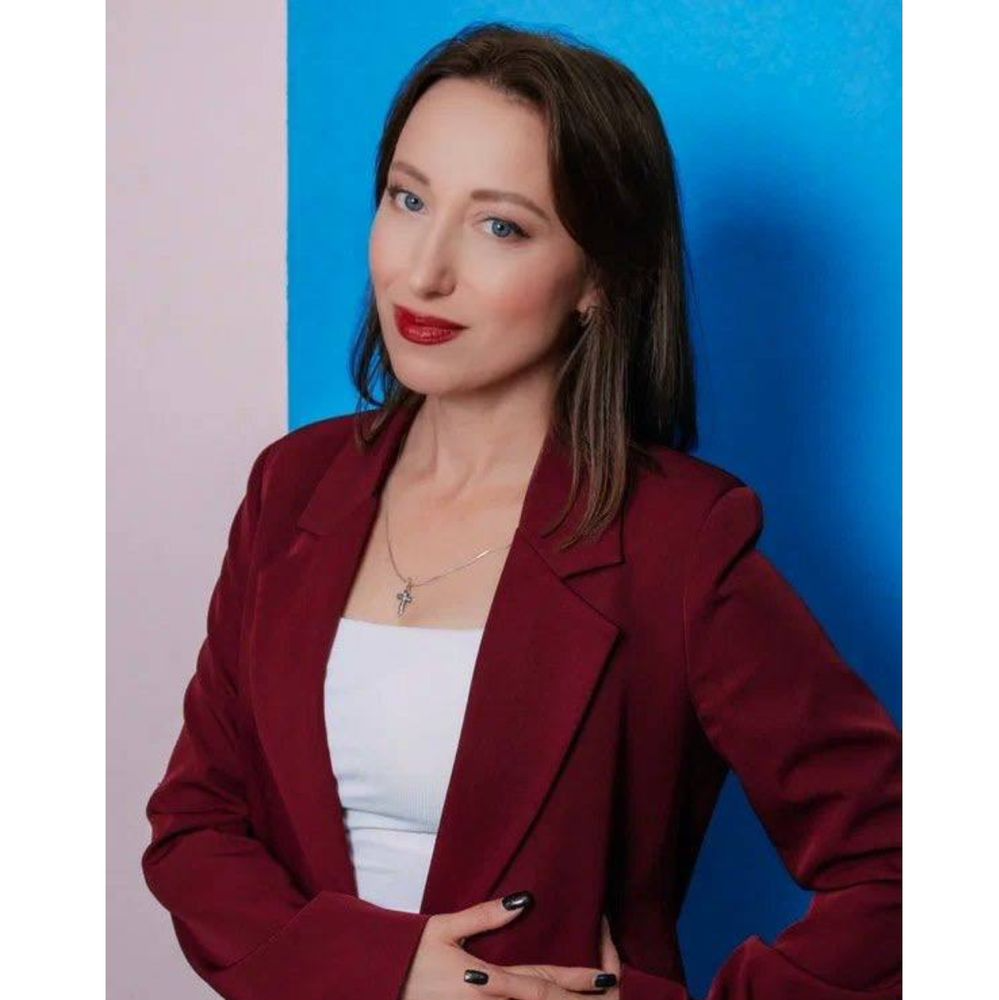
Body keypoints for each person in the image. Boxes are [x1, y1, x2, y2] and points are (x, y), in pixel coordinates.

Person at [141, 22, 902, 1000]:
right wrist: (381, 968)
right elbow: (197, 826)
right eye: (409, 199)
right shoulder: (292, 486)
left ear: (598, 280)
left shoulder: (677, 542)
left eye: (499, 226)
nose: (424, 271)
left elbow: (906, 872)